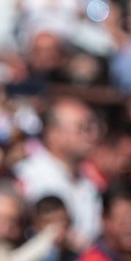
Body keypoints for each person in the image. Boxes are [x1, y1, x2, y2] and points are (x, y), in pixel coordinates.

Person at [16, 95, 101, 248]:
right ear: (53, 134)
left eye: (93, 126)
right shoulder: (28, 176)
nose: (93, 134)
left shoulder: (89, 184)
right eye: (83, 127)